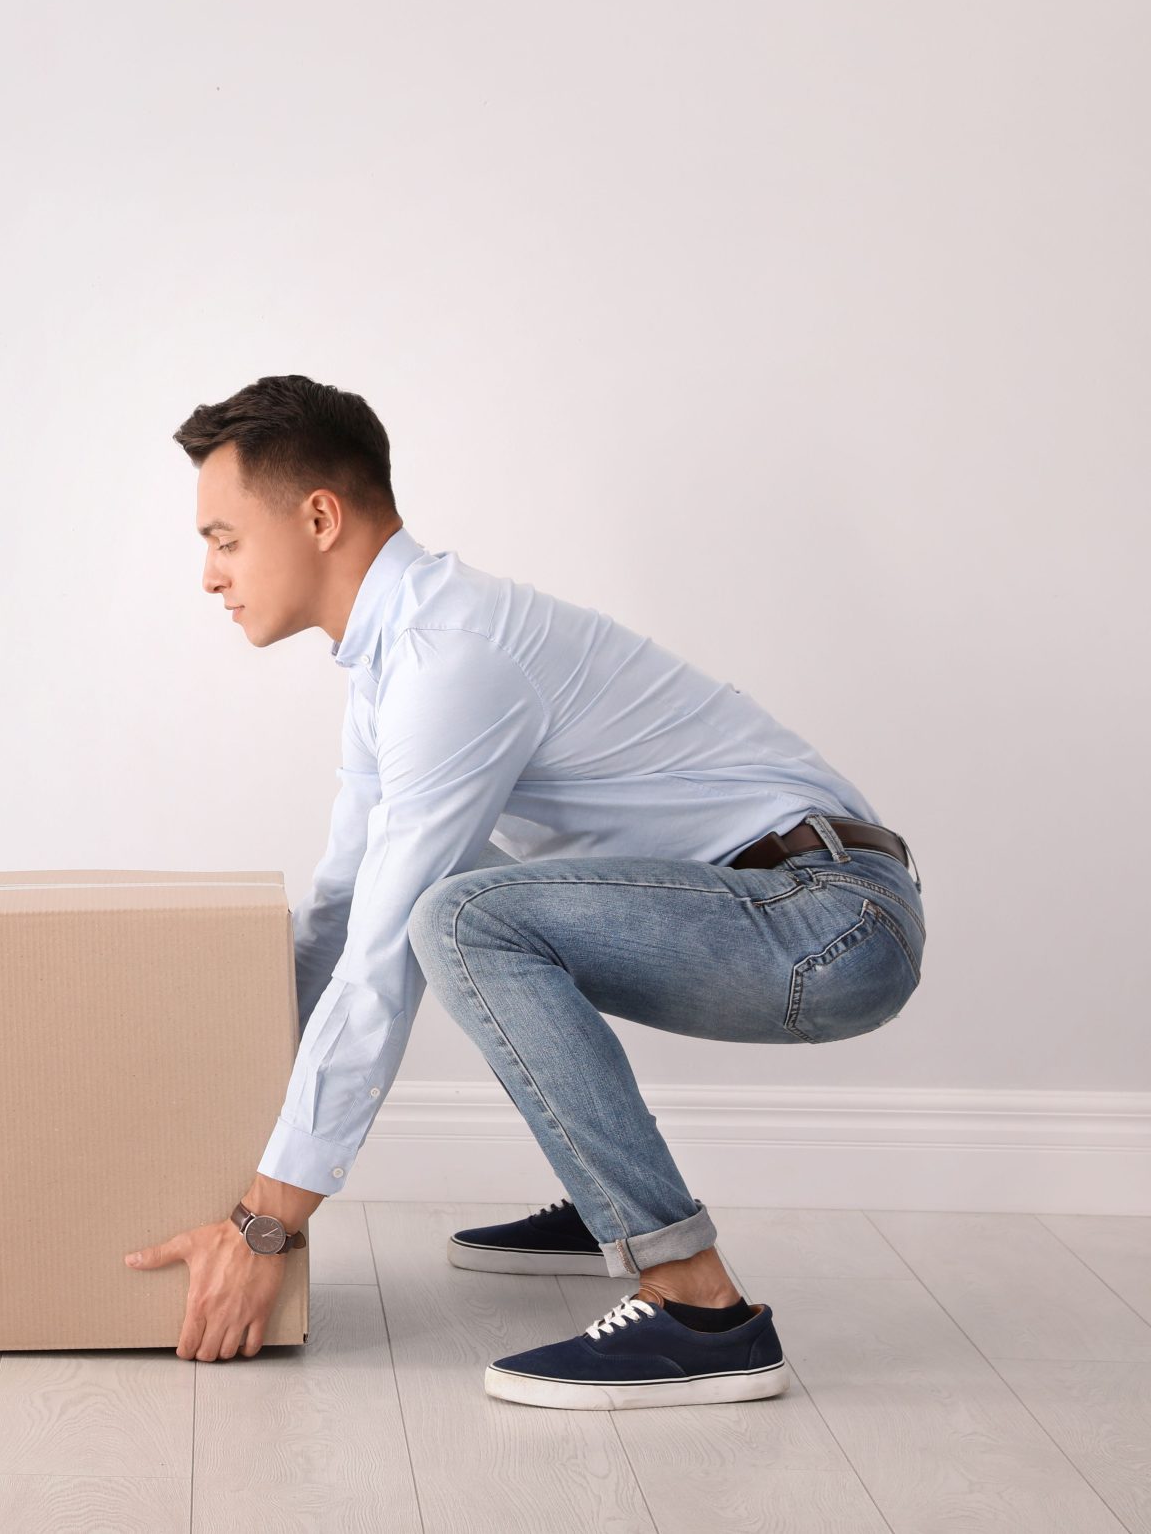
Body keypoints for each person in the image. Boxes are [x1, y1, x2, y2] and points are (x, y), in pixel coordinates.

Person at [123, 374, 925, 1410]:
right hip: (766, 906)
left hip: (830, 921)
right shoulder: (389, 668)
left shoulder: (450, 662)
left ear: (318, 517)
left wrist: (264, 1220)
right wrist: (208, 1073)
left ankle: (696, 1307)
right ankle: (613, 1205)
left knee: (452, 914)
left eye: (223, 538)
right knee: (420, 893)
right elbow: (338, 914)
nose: (207, 575)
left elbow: (381, 964)